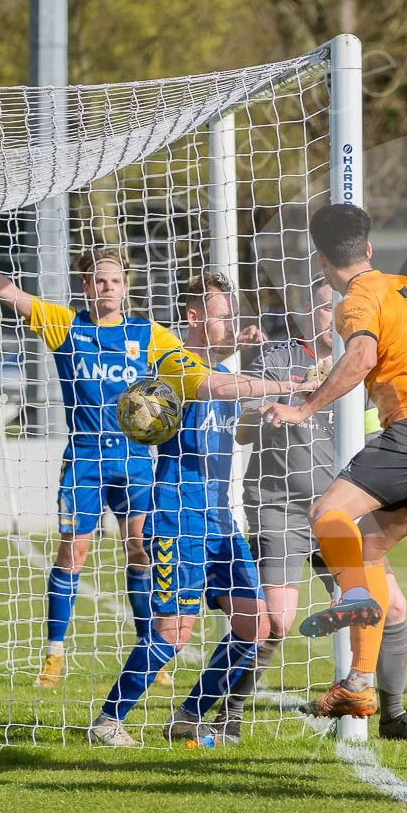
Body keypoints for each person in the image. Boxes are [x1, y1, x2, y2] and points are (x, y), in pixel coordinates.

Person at [260, 203, 407, 720]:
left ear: (321, 258)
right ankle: (360, 683)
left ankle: (351, 600)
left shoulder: (355, 301)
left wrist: (304, 407)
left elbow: (362, 356)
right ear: (368, 249)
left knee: (327, 513)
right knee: (366, 550)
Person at [0, 227, 187, 688]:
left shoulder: (150, 334)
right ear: (85, 287)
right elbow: (10, 293)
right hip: (84, 461)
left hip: (135, 461)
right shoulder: (66, 324)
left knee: (142, 549)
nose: (106, 287)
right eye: (97, 280)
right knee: (74, 552)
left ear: (126, 286)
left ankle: (154, 651)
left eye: (113, 280)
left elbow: (192, 370)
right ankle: (54, 654)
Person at [88, 271, 296, 746]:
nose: (233, 324)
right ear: (195, 316)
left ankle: (188, 714)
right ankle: (108, 721)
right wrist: (283, 383)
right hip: (177, 516)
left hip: (221, 520)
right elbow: (216, 391)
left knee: (257, 624)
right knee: (174, 632)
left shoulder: (222, 373)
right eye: (225, 316)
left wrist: (264, 412)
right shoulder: (177, 366)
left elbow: (234, 427)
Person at [224, 283, 407, 741]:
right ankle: (229, 713)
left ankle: (393, 716)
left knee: (393, 606)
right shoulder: (279, 359)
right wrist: (294, 394)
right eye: (319, 306)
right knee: (275, 620)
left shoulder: (365, 365)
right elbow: (241, 430)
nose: (329, 314)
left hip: (343, 512)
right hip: (282, 511)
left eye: (335, 307)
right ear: (304, 312)